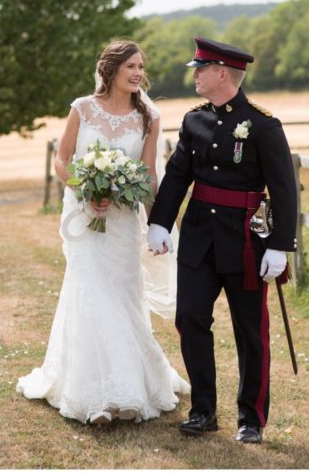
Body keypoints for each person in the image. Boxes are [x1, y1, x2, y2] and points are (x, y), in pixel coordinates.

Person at [17, 40, 190, 423]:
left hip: (124, 224)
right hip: (87, 221)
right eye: (131, 65)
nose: (138, 73)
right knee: (91, 295)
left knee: (124, 299)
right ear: (111, 68)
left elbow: (147, 175)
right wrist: (84, 187)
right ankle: (94, 398)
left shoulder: (149, 116)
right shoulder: (82, 109)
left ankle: (128, 391)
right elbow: (62, 161)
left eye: (141, 66)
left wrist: (158, 223)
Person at [146, 38, 298, 444]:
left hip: (246, 244)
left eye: (200, 69)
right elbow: (179, 176)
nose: (194, 75)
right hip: (198, 239)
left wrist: (282, 245)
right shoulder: (194, 120)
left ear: (222, 73)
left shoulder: (264, 125)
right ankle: (203, 411)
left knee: (250, 331)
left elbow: (285, 191)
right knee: (190, 318)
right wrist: (159, 222)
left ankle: (251, 419)